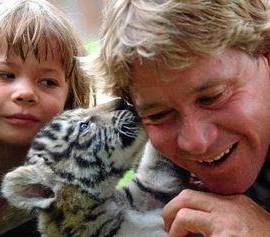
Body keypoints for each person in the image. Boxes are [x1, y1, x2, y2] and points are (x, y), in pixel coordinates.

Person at [92, 0, 270, 236]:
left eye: (212, 98)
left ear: (266, 58)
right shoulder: (159, 175)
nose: (195, 142)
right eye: (159, 115)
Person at [0, 0, 90, 236]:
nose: (26, 93)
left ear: (70, 99)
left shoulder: (76, 204)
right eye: (5, 74)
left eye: (48, 82)